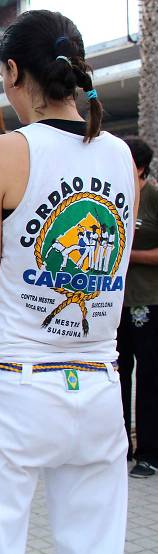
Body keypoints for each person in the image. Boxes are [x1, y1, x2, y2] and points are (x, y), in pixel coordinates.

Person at [0, 10, 138, 554]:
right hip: (100, 386)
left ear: (11, 71)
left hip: (13, 389)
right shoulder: (123, 157)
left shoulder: (0, 154)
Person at [117, 136, 157, 479]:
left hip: (148, 302)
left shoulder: (154, 198)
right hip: (113, 302)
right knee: (116, 375)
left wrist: (128, 257)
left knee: (149, 377)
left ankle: (149, 452)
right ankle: (120, 447)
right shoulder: (115, 197)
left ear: (140, 167)